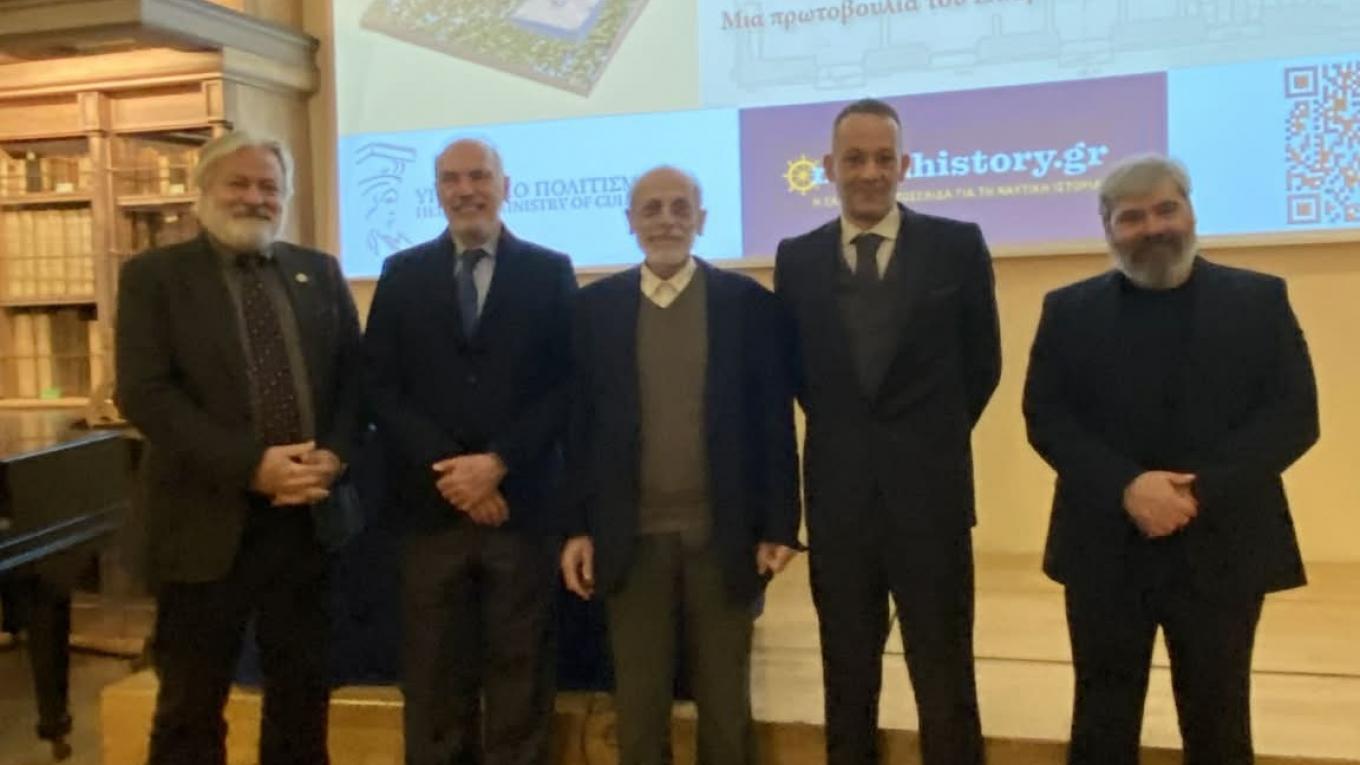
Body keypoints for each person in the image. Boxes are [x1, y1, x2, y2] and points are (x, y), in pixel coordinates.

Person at [1022, 154, 1319, 765]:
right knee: (1102, 722)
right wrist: (1128, 487)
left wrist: (1193, 494)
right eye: (1132, 217)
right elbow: (1047, 418)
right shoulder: (1067, 311)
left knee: (1219, 721)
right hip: (1106, 545)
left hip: (1221, 543)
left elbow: (1293, 417)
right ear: (1108, 228)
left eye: (1166, 209)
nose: (1153, 228)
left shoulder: (1259, 300)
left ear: (1191, 212)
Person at [116, 131, 365, 765]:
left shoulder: (319, 272)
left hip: (307, 525)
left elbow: (354, 382)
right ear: (203, 191)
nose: (254, 197)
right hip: (202, 524)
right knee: (190, 706)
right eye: (239, 183)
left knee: (302, 699)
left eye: (268, 187)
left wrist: (335, 456)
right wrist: (253, 467)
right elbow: (145, 393)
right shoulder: (154, 277)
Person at [773, 98, 1001, 765]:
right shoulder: (797, 258)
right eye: (854, 159)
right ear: (828, 168)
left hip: (932, 501)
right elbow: (799, 373)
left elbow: (981, 365)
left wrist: (921, 445)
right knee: (846, 675)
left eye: (882, 158)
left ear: (905, 165)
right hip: (840, 505)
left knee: (945, 674)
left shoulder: (958, 246)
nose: (869, 172)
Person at [561, 166, 801, 765]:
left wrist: (779, 524)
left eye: (679, 207)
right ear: (630, 222)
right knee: (639, 714)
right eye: (651, 209)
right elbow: (578, 430)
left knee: (726, 711)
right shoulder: (593, 311)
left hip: (722, 538)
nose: (666, 220)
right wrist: (577, 527)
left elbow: (773, 421)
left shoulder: (746, 305)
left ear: (702, 220)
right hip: (631, 541)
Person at [363, 138, 576, 765]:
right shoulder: (401, 273)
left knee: (520, 675)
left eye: (479, 176)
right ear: (437, 191)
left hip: (521, 507)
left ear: (505, 186)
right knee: (432, 679)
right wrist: (455, 474)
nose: (466, 190)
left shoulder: (549, 271)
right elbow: (380, 387)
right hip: (428, 513)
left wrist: (498, 463)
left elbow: (568, 384)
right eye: (451, 179)